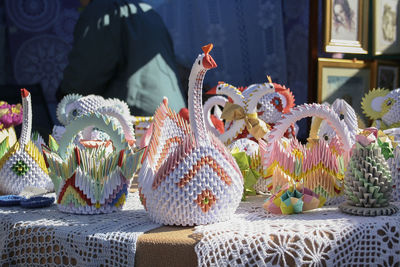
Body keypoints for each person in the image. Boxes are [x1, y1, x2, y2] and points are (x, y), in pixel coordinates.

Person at [56, 0, 186, 116]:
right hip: (172, 114)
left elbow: (86, 75)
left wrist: (65, 95)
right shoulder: (147, 11)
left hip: (137, 119)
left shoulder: (103, 10)